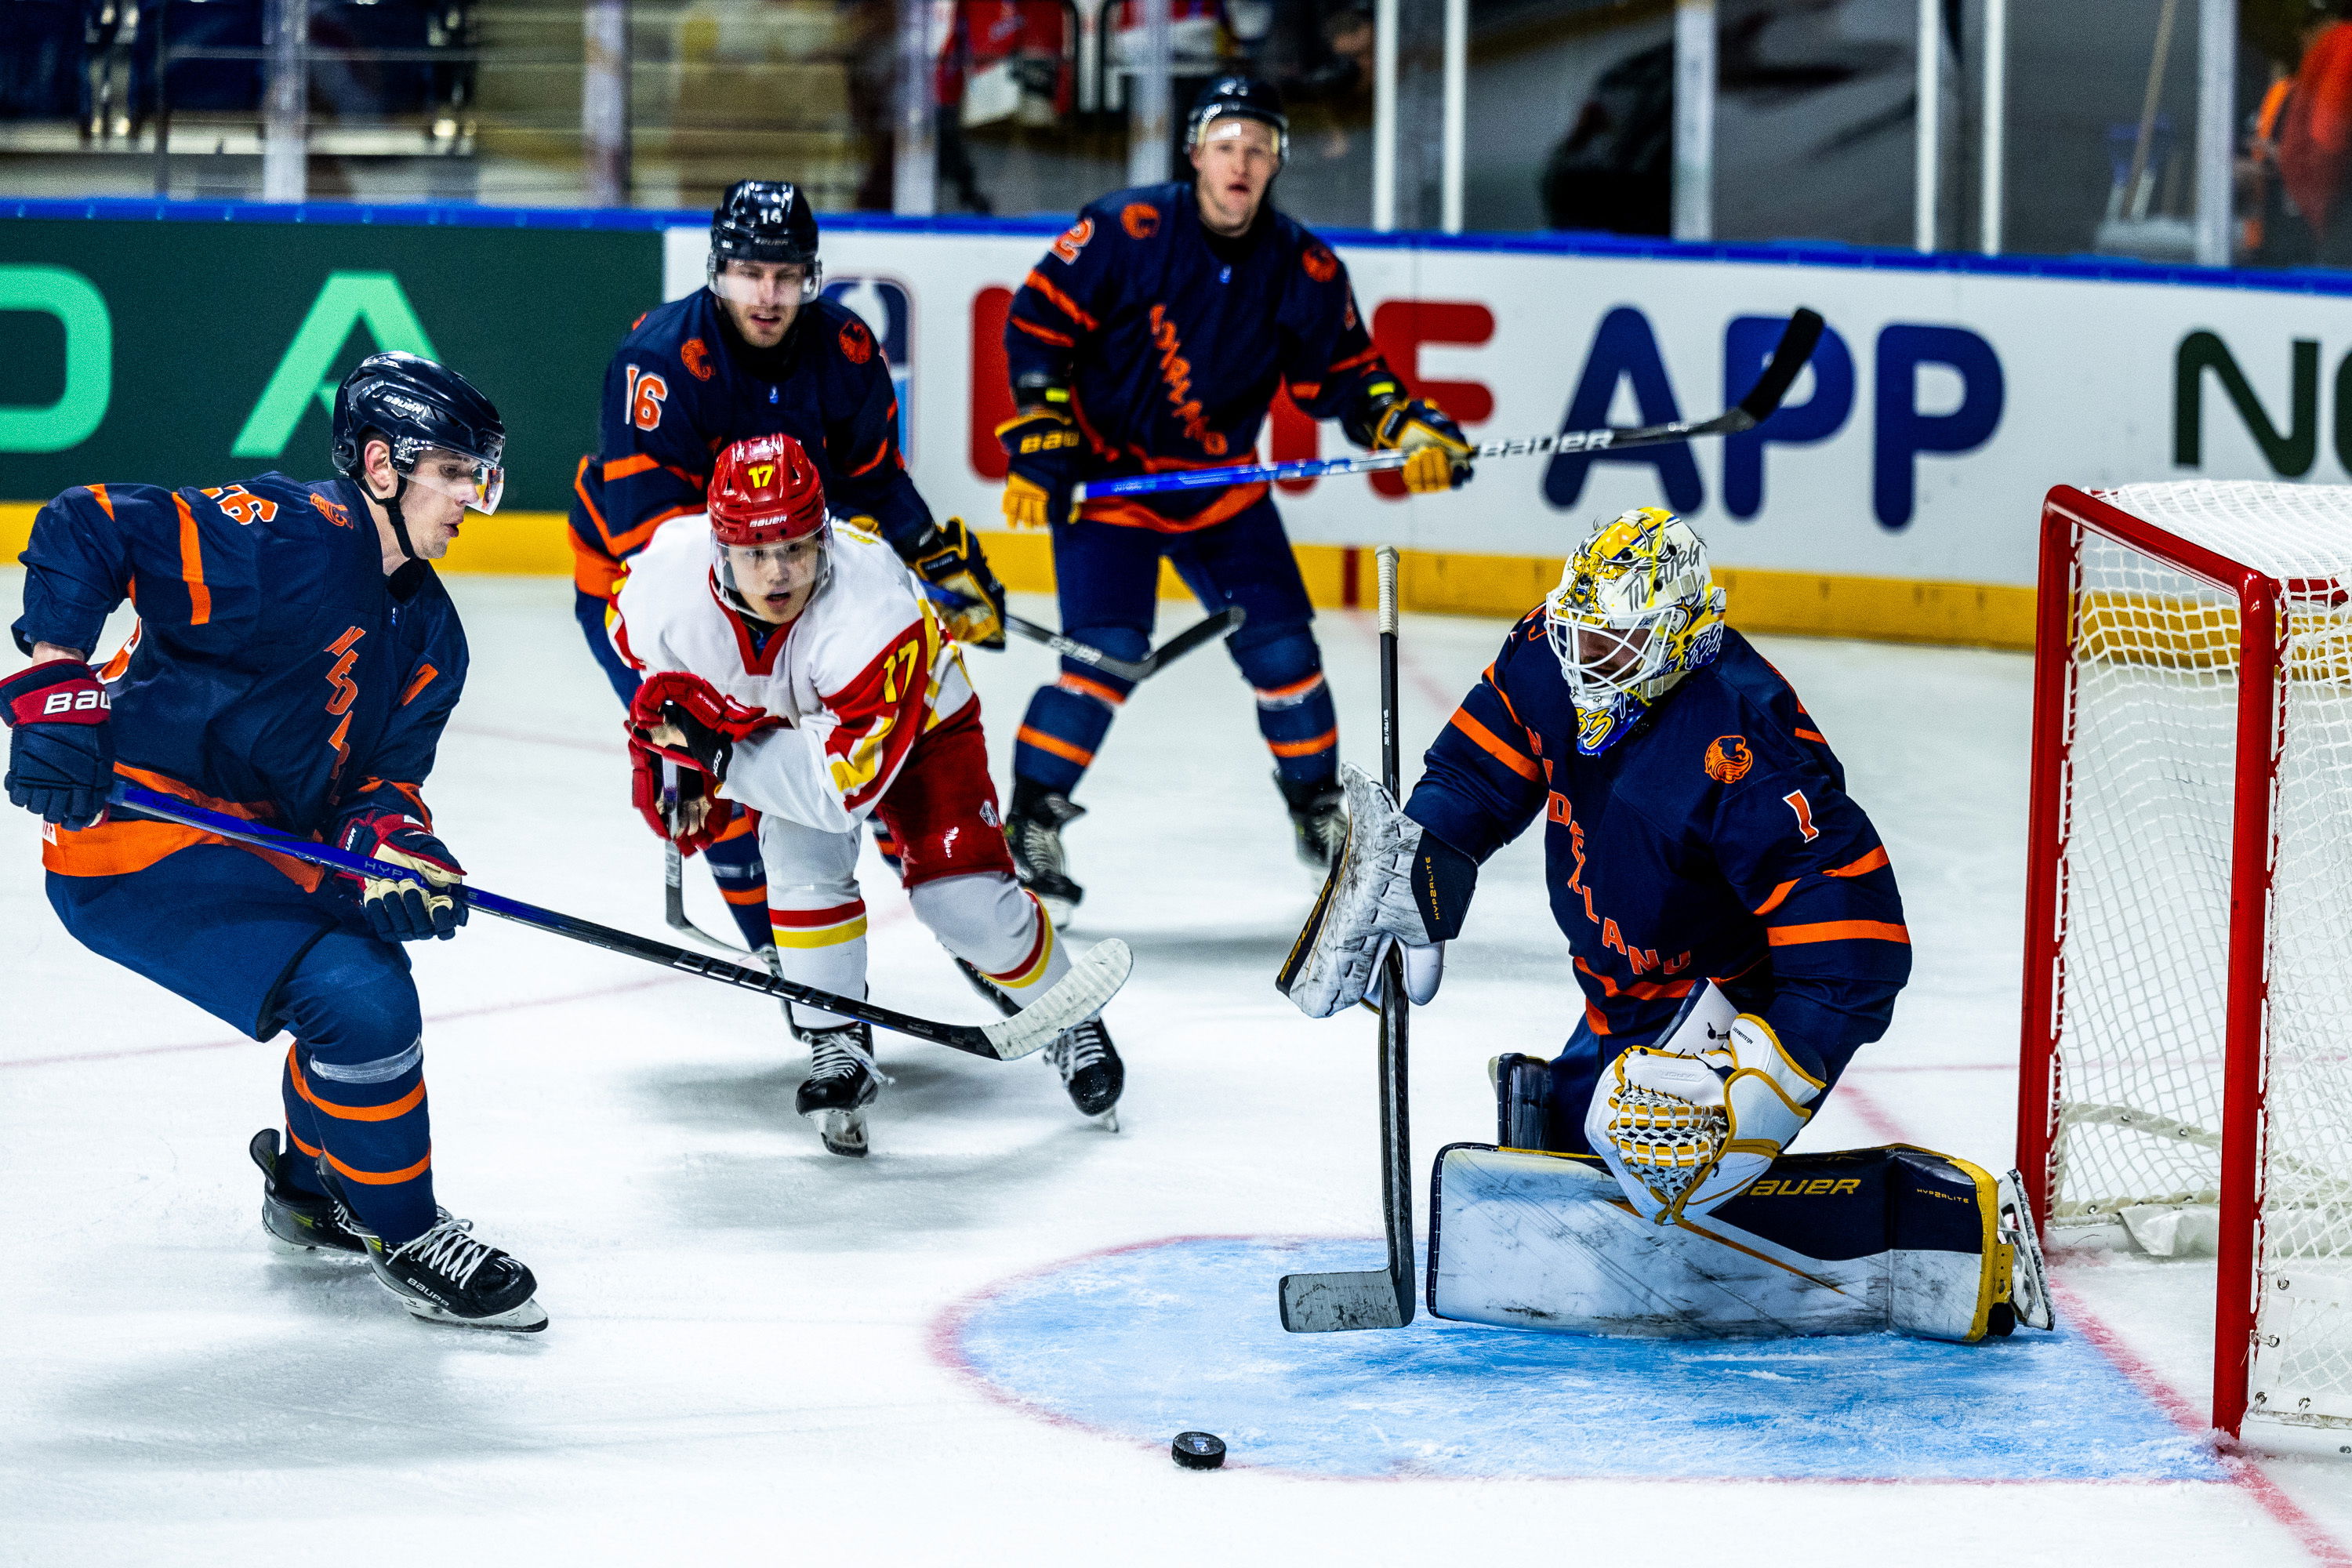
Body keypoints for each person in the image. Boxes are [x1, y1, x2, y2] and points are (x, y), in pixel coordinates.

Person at [2, 351, 545, 1332]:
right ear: (381, 465)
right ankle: (407, 1229)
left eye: (479, 473)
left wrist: (395, 844)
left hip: (259, 834)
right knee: (361, 996)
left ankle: (308, 1185)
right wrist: (56, 685)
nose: (473, 494)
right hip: (137, 829)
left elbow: (379, 782)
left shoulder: (432, 635)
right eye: (453, 471)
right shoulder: (283, 537)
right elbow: (85, 521)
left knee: (362, 954)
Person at [1285, 506, 1916, 1225]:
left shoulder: (1743, 750)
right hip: (1619, 984)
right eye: (1575, 630)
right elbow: (1474, 775)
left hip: (1721, 996)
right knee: (1565, 1149)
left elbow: (1856, 945)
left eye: (1611, 643)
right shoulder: (1552, 658)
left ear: (1681, 640)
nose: (1583, 657)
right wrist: (1424, 856)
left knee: (1640, 1154)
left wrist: (1773, 1079)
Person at [995, 72, 1475, 923]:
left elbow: (1350, 377)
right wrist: (1043, 430)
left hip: (1219, 488)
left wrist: (1406, 427)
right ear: (1195, 155)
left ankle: (1315, 810)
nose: (1242, 161)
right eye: (1227, 145)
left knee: (1287, 653)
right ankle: (1030, 821)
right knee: (1103, 657)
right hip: (1114, 486)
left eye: (1259, 147)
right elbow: (1036, 319)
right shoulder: (1125, 228)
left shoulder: (1304, 264)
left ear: (1277, 161)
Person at [610, 434, 1123, 1157]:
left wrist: (715, 749)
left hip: (918, 730)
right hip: (789, 728)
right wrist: (680, 763)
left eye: (795, 546)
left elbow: (836, 793)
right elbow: (654, 671)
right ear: (721, 551)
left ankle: (1071, 1014)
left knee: (963, 903)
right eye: (756, 554)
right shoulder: (666, 582)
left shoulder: (872, 609)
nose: (779, 572)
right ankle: (835, 1040)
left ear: (825, 534)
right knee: (798, 868)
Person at [572, 180, 1008, 954]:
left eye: (785, 274)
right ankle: (785, 970)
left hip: (787, 589)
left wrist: (929, 558)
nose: (767, 294)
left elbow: (873, 479)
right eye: (749, 272)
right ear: (717, 269)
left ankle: (957, 916)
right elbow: (659, 556)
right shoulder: (660, 362)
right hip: (647, 597)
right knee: (723, 782)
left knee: (859, 758)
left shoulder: (844, 348)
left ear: (810, 274)